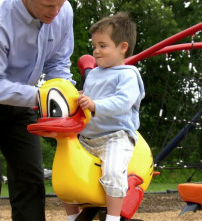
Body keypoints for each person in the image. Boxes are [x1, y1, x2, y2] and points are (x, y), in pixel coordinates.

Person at [0, 0, 75, 220]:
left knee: (31, 177)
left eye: (60, 3)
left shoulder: (63, 11)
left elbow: (58, 63)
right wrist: (42, 97)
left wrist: (63, 93)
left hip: (22, 98)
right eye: (48, 5)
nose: (55, 11)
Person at [62, 12, 145, 221]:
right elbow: (89, 100)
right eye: (94, 46)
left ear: (122, 47)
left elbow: (122, 102)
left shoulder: (128, 75)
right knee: (65, 171)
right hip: (88, 137)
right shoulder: (95, 73)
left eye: (102, 46)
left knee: (113, 172)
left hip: (115, 136)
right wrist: (79, 98)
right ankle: (73, 218)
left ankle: (113, 218)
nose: (96, 51)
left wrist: (94, 104)